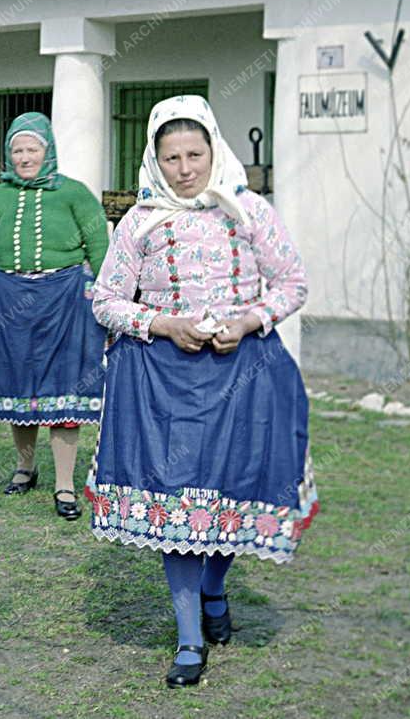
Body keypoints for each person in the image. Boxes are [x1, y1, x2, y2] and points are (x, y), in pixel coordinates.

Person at [86, 95, 316, 688]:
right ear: (154, 161)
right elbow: (106, 300)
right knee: (178, 504)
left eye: (194, 153)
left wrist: (246, 320)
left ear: (214, 150)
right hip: (166, 379)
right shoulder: (140, 221)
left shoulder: (248, 210)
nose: (185, 168)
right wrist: (162, 324)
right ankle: (189, 637)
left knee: (234, 490)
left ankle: (216, 588)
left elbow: (292, 281)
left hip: (244, 373)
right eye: (171, 157)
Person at [0, 112, 108, 519]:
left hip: (65, 301)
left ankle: (65, 485)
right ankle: (26, 466)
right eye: (17, 150)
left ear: (48, 151)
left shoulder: (76, 194)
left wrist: (106, 297)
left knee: (65, 388)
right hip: (9, 302)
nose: (24, 157)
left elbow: (99, 246)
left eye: (32, 149)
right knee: (18, 386)